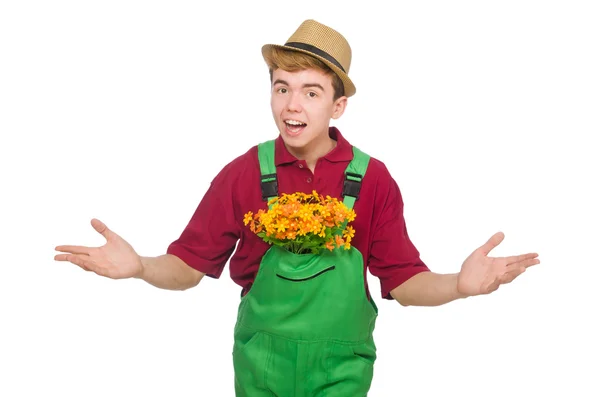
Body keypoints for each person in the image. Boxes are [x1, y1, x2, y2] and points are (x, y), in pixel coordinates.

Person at [54, 19, 540, 396]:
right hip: (260, 365)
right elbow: (188, 266)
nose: (292, 106)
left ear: (338, 106)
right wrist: (140, 266)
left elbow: (404, 282)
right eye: (281, 87)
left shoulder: (371, 180)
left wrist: (459, 284)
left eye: (311, 92)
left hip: (341, 370)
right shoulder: (245, 172)